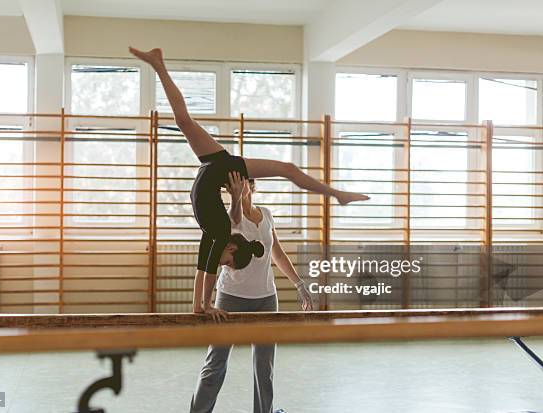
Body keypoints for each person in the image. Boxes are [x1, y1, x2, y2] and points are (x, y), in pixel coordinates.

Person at [128, 47, 369, 321]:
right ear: (232, 248)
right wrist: (204, 305)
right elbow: (207, 268)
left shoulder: (217, 232)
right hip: (218, 169)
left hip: (215, 171)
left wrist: (201, 305)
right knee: (285, 168)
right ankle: (337, 194)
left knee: (185, 121)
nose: (224, 265)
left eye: (226, 264)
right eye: (228, 262)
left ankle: (160, 65)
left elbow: (204, 268)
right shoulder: (220, 230)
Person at [190, 175, 312, 413]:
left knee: (264, 367)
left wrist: (299, 284)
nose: (236, 185)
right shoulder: (226, 219)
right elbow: (215, 255)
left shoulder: (266, 214)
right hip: (230, 298)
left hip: (266, 298)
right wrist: (206, 303)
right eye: (231, 183)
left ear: (252, 185)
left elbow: (276, 252)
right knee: (215, 363)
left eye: (241, 181)